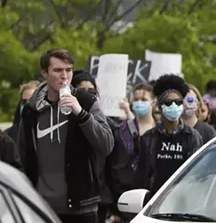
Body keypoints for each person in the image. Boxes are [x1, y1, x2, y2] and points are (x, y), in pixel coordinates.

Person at [18, 49, 114, 223]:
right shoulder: (31, 110)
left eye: (68, 70)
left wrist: (82, 114)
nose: (64, 76)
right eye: (57, 70)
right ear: (45, 73)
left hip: (81, 207)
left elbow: (106, 145)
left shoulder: (86, 101)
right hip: (42, 206)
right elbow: (22, 155)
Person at [71, 71, 133, 223]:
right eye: (81, 92)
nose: (87, 96)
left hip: (99, 202)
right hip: (68, 201)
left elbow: (117, 169)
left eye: (91, 92)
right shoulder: (62, 125)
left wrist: (118, 208)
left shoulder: (110, 128)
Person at [134, 74, 203, 196]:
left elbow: (197, 176)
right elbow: (142, 177)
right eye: (168, 102)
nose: (174, 106)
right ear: (160, 106)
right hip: (154, 202)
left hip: (182, 202)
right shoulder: (149, 138)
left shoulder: (192, 137)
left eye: (178, 102)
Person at [118, 83, 157, 171]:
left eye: (144, 99)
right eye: (136, 99)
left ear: (153, 102)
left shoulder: (161, 129)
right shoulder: (123, 129)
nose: (139, 102)